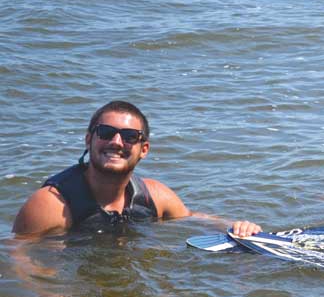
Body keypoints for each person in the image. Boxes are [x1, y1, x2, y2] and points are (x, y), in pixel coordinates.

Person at [13, 100, 191, 235]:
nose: (116, 142)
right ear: (89, 140)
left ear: (143, 149)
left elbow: (194, 220)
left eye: (129, 136)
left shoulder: (154, 196)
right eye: (106, 132)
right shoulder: (50, 206)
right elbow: (21, 262)